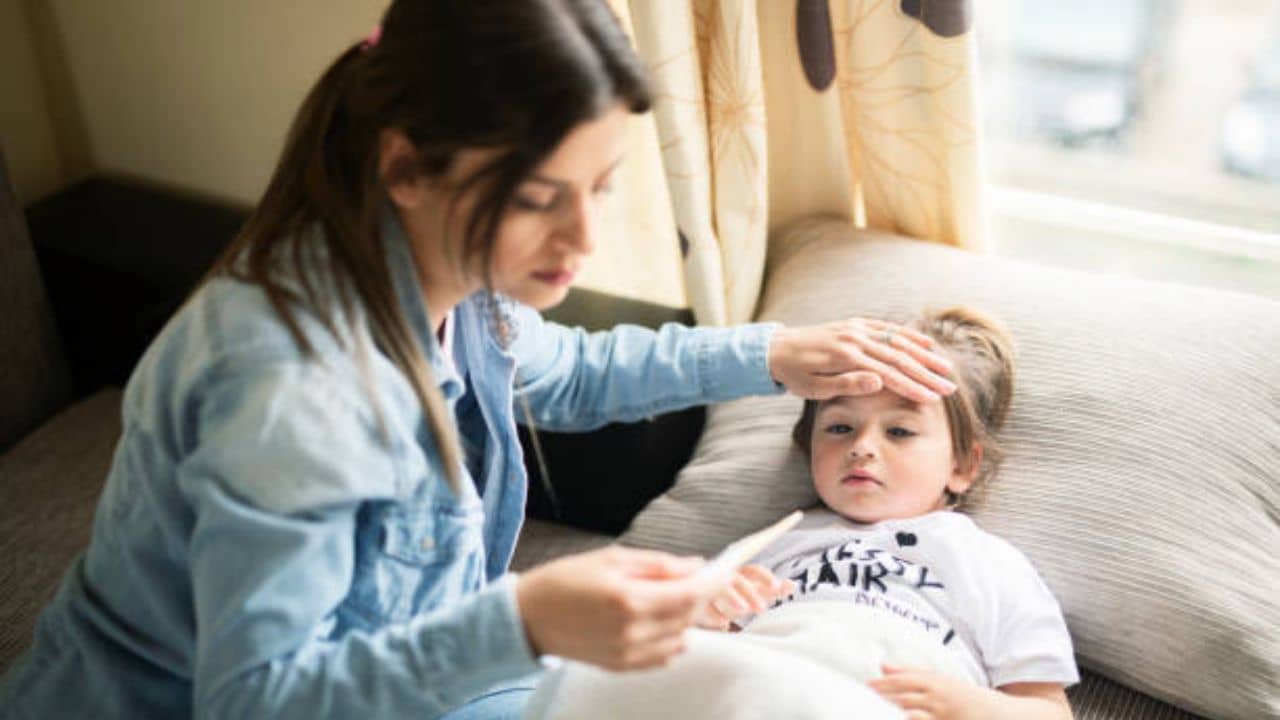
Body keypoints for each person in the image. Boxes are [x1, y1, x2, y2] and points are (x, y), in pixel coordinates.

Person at [0, 2, 956, 718]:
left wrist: (773, 355)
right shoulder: (291, 392)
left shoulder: (454, 281)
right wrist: (525, 623)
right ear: (408, 167)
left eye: (601, 188)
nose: (583, 237)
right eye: (543, 198)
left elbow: (571, 376)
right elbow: (258, 700)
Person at [698, 307, 1079, 720]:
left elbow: (1048, 711)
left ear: (962, 466)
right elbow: (705, 661)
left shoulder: (990, 563)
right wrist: (710, 617)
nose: (862, 447)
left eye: (899, 431)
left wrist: (966, 706)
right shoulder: (774, 541)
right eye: (840, 428)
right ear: (810, 448)